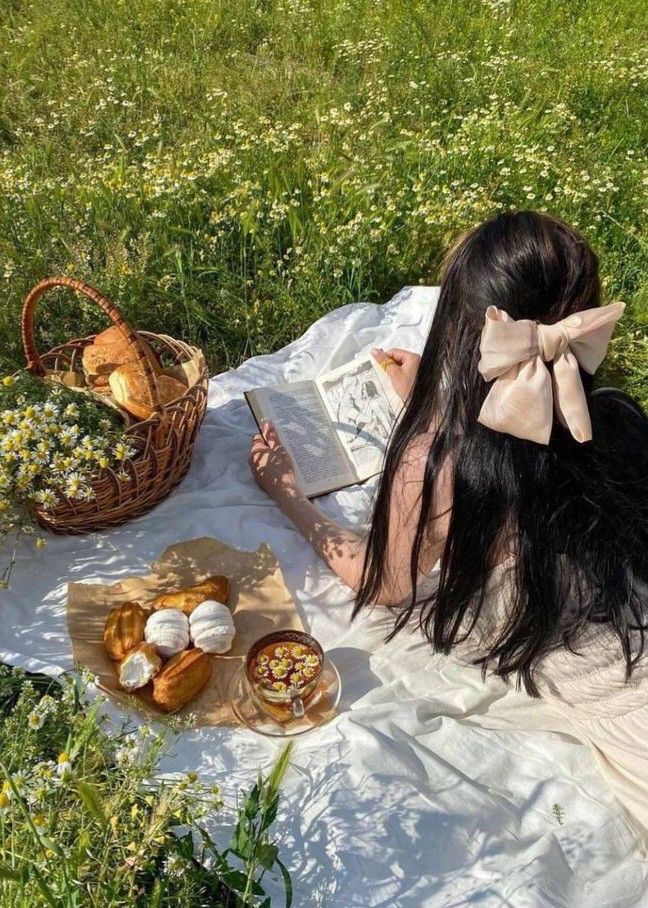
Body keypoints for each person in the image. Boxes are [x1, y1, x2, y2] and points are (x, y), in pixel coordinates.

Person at [248, 210, 648, 835]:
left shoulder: (434, 465)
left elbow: (384, 584)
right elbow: (522, 448)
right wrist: (439, 399)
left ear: (460, 334)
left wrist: (291, 497)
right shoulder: (610, 417)